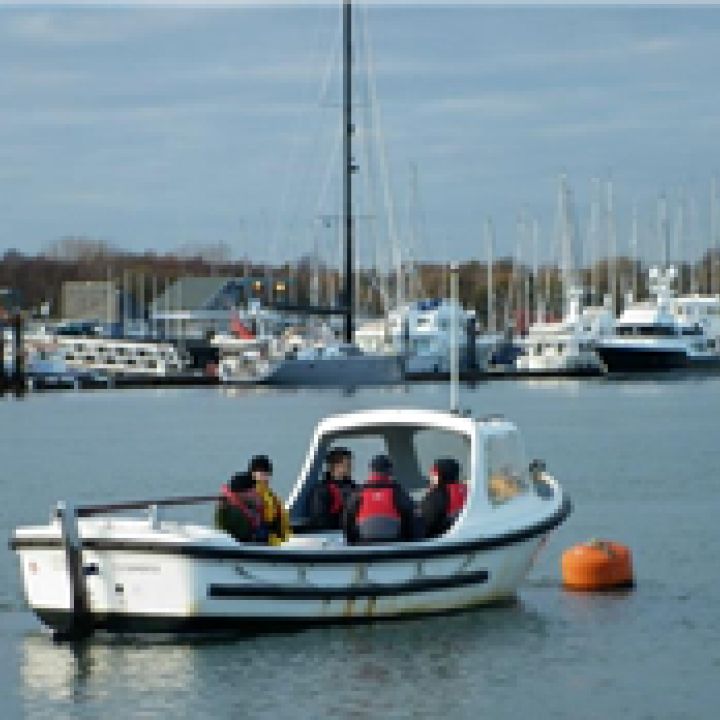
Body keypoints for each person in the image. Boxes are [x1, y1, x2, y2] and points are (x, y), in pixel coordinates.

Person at [343, 454, 416, 544]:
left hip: (364, 542)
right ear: (389, 471)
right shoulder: (397, 491)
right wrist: (409, 540)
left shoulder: (359, 492)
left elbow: (348, 517)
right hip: (394, 542)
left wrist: (351, 542)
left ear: (371, 471)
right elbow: (410, 513)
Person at [248, 454, 291, 546]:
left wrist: (286, 541)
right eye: (258, 471)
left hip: (274, 542)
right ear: (252, 473)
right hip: (259, 540)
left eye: (265, 471)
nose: (262, 474)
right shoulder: (248, 496)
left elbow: (283, 524)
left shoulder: (275, 499)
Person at [419, 458, 467, 539]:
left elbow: (427, 522)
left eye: (433, 474)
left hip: (440, 538)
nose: (431, 478)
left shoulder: (437, 495)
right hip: (462, 535)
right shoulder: (467, 492)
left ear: (440, 476)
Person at [309, 447, 356, 530]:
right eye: (347, 465)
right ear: (334, 466)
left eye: (350, 465)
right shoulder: (322, 490)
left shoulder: (354, 487)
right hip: (335, 535)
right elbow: (319, 519)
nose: (351, 468)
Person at [215, 471, 267, 543]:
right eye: (253, 490)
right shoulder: (233, 511)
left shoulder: (249, 504)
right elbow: (245, 535)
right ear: (243, 492)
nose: (256, 493)